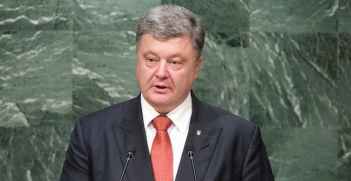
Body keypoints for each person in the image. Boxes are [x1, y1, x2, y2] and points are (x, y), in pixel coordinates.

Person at [60, 4, 274, 181]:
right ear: (138, 59)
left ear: (197, 67)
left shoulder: (240, 138)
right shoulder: (91, 134)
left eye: (175, 62)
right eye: (151, 60)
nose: (161, 73)